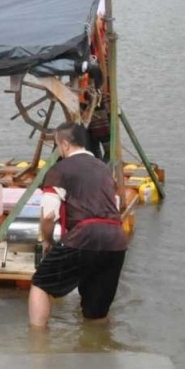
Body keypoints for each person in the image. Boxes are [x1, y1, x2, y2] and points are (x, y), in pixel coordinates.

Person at [29, 122, 129, 327]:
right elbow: (115, 204)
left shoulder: (59, 170)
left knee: (41, 284)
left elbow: (48, 216)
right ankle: (98, 348)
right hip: (116, 239)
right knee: (96, 312)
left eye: (57, 145)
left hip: (85, 234)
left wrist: (47, 241)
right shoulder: (103, 169)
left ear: (64, 145)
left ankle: (37, 348)